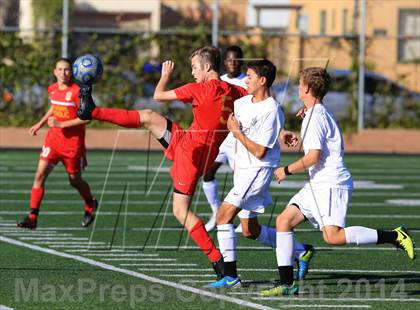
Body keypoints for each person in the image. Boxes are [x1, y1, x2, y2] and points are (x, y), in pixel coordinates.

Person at [76, 46, 248, 279]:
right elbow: (258, 99)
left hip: (192, 154)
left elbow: (159, 95)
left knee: (180, 211)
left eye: (195, 67)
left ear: (207, 67)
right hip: (193, 144)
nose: (193, 72)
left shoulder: (199, 89)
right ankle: (91, 111)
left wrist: (164, 77)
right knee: (148, 117)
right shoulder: (235, 91)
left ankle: (217, 262)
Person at [260, 67, 416, 297]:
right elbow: (318, 147)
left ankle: (394, 235)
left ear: (307, 88)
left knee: (333, 237)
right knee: (284, 221)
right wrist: (300, 137)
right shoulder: (314, 113)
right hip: (319, 183)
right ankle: (286, 283)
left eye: (300, 83)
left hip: (331, 184)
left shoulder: (315, 117)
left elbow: (313, 157)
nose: (298, 87)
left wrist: (286, 170)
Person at [205, 60, 313, 288]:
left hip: (257, 170)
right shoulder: (243, 102)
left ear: (262, 80)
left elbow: (261, 151)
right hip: (242, 169)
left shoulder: (272, 108)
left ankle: (230, 276)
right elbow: (260, 128)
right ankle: (300, 250)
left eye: (250, 76)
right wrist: (281, 133)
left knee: (223, 216)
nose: (246, 80)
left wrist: (237, 133)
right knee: (249, 230)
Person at [17, 58, 97, 230]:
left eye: (67, 69)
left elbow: (87, 118)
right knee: (39, 176)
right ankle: (32, 217)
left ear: (72, 72)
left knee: (75, 181)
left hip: (72, 145)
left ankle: (90, 204)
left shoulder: (78, 92)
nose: (63, 73)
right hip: (53, 141)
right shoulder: (52, 89)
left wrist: (61, 124)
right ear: (54, 72)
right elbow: (54, 107)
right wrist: (40, 123)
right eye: (60, 69)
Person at [202, 45, 247, 232]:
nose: (232, 63)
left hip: (239, 140)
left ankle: (241, 218)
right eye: (229, 59)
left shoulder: (248, 81)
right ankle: (216, 212)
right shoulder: (218, 81)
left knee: (243, 180)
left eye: (236, 60)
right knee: (207, 172)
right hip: (221, 139)